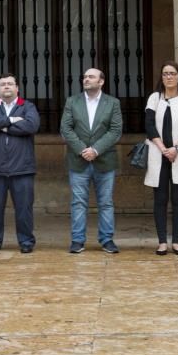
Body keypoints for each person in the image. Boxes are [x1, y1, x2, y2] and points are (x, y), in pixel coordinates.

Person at [60, 68, 123, 254]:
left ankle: (107, 240)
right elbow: (66, 128)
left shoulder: (113, 103)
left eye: (91, 77)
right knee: (78, 203)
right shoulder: (72, 101)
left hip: (104, 161)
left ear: (101, 81)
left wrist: (96, 150)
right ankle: (77, 240)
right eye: (85, 76)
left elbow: (115, 131)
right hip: (78, 161)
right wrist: (82, 150)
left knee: (106, 202)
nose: (86, 79)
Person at [0, 73, 41, 254]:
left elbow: (31, 126)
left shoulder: (27, 106)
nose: (6, 86)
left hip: (22, 168)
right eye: (3, 84)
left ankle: (26, 241)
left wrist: (0, 125)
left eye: (10, 84)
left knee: (24, 208)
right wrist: (12, 121)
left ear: (17, 88)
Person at [144, 61, 178, 256]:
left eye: (172, 73)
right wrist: (163, 149)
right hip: (159, 154)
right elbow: (149, 125)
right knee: (160, 199)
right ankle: (161, 242)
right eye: (165, 73)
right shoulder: (154, 98)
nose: (168, 77)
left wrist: (176, 149)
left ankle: (176, 241)